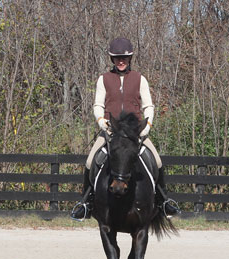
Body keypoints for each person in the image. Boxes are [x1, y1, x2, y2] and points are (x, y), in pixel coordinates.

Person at [71, 37, 180, 221]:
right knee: (90, 161)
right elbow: (98, 105)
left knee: (158, 161)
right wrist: (102, 122)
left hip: (135, 133)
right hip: (111, 132)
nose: (121, 61)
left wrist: (146, 127)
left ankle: (163, 202)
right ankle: (85, 203)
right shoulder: (103, 79)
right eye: (117, 58)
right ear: (112, 59)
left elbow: (148, 107)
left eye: (124, 58)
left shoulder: (140, 79)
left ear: (130, 58)